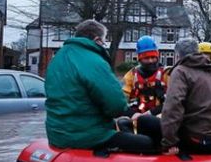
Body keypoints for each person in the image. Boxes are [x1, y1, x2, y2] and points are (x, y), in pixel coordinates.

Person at [44, 19, 155, 153]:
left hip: (56, 134)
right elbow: (116, 106)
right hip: (85, 136)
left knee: (121, 127)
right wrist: (131, 113)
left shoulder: (57, 58)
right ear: (97, 40)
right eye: (103, 41)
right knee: (146, 142)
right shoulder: (94, 61)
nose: (104, 44)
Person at [159, 38, 211, 156]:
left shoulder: (180, 71)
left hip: (197, 141)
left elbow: (173, 107)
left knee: (147, 122)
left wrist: (169, 143)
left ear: (177, 56)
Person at [121, 35, 168, 145]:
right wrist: (132, 114)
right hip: (136, 116)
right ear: (139, 58)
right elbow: (121, 100)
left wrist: (151, 113)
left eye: (153, 57)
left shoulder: (167, 74)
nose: (151, 61)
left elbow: (174, 101)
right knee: (121, 122)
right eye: (146, 58)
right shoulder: (131, 75)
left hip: (159, 116)